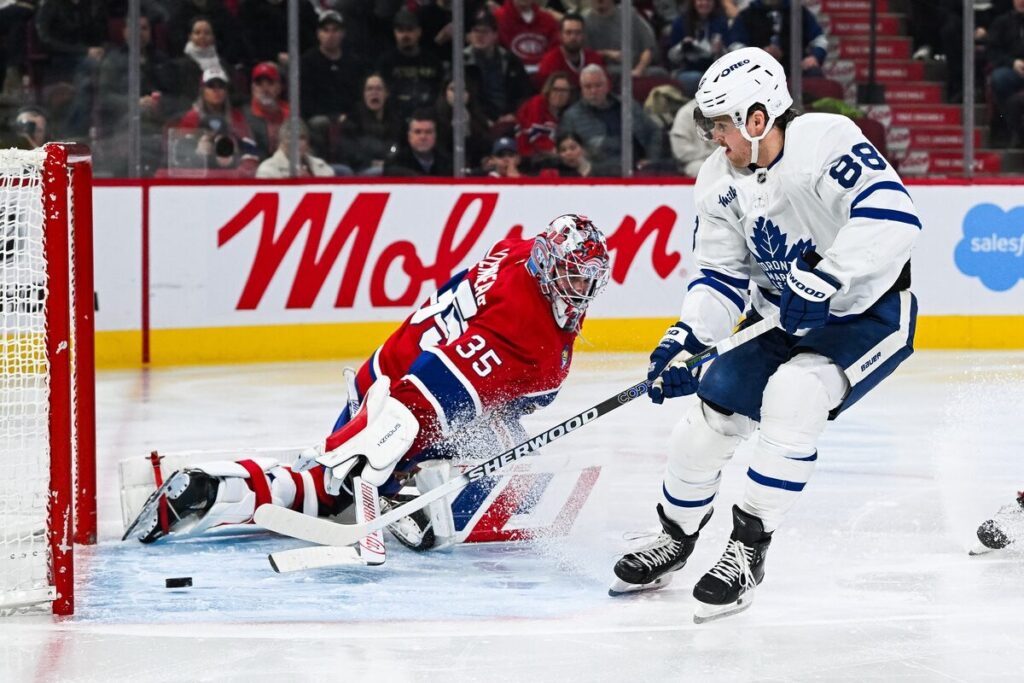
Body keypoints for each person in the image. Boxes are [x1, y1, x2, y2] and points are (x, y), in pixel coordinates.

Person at [610, 48, 920, 623]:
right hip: (776, 314)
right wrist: (685, 339)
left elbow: (893, 213)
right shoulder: (716, 179)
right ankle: (676, 538)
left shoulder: (824, 140)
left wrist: (828, 278)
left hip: (864, 313)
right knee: (708, 419)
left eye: (721, 125)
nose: (713, 138)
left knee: (795, 398)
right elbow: (721, 275)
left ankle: (748, 549)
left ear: (758, 119)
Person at [123, 214, 611, 552]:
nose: (581, 290)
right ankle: (217, 491)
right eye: (571, 276)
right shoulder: (524, 332)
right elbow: (430, 390)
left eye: (589, 279)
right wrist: (380, 446)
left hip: (394, 362)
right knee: (331, 494)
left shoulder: (518, 251)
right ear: (547, 265)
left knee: (505, 462)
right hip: (398, 393)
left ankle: (390, 483)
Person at [557, 64, 662, 175]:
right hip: (598, 175)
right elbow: (565, 151)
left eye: (598, 85)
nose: (593, 91)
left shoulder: (628, 105)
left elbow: (654, 131)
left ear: (607, 86)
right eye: (588, 87)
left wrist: (651, 160)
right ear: (581, 89)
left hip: (638, 170)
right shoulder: (571, 117)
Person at [582, 0, 661, 79]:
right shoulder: (583, 21)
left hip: (634, 70)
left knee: (659, 73)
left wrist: (639, 70)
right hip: (600, 74)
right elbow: (582, 54)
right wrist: (607, 54)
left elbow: (648, 48)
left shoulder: (629, 14)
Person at [535, 12, 605, 90]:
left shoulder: (594, 59)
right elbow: (545, 95)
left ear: (584, 35)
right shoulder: (549, 62)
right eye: (568, 32)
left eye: (578, 32)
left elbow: (605, 88)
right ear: (560, 35)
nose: (573, 37)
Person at [515, 70, 573, 162]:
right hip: (528, 157)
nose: (559, 94)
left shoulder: (565, 112)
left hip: (553, 156)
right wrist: (560, 152)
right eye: (556, 89)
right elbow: (536, 136)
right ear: (548, 90)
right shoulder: (537, 104)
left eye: (564, 91)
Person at [383, 108, 454, 177]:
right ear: (409, 136)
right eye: (417, 132)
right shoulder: (396, 163)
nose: (423, 137)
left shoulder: (448, 163)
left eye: (428, 132)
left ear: (435, 135)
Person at [255, 119, 335, 178]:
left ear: (307, 142)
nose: (296, 143)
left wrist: (310, 180)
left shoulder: (321, 165)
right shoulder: (267, 169)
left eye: (301, 138)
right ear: (281, 142)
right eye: (290, 138)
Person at [243, 61, 290, 160]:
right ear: (252, 88)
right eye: (259, 84)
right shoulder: (243, 116)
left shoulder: (290, 113)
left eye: (270, 83)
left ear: (279, 87)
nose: (265, 89)